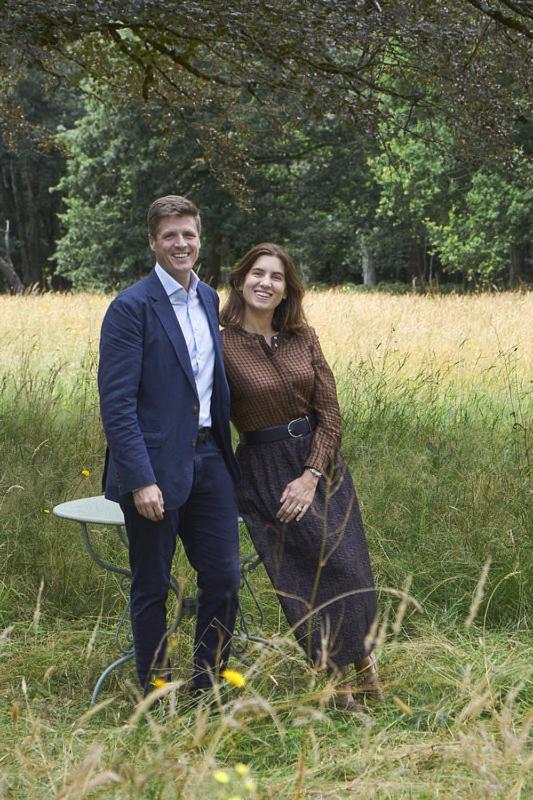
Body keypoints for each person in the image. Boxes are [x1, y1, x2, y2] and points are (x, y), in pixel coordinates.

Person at [220, 243, 382, 711]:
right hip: (265, 468)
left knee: (351, 569)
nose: (265, 283)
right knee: (306, 577)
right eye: (258, 273)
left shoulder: (303, 337)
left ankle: (365, 664)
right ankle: (337, 682)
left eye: (276, 276)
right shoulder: (220, 344)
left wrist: (311, 473)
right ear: (240, 280)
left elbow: (330, 413)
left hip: (321, 462)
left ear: (287, 289)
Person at [98, 195, 240, 696]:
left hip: (210, 459)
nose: (181, 243)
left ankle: (207, 687)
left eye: (188, 234)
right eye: (170, 235)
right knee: (152, 586)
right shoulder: (130, 307)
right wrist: (140, 479)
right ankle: (157, 693)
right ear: (153, 242)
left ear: (199, 239)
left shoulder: (209, 299)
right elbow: (117, 403)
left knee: (224, 579)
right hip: (154, 468)